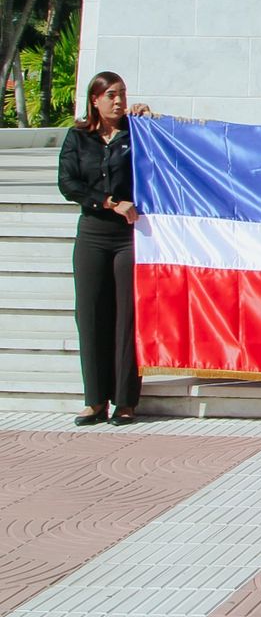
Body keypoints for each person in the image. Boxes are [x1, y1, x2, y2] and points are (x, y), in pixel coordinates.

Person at [58, 72, 151, 426]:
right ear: (94, 99)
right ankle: (94, 400)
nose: (118, 101)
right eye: (111, 94)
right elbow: (68, 183)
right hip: (94, 233)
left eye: (122, 94)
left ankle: (125, 401)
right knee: (91, 314)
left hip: (129, 237)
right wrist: (109, 202)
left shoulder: (136, 132)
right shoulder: (78, 137)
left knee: (128, 316)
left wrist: (150, 121)